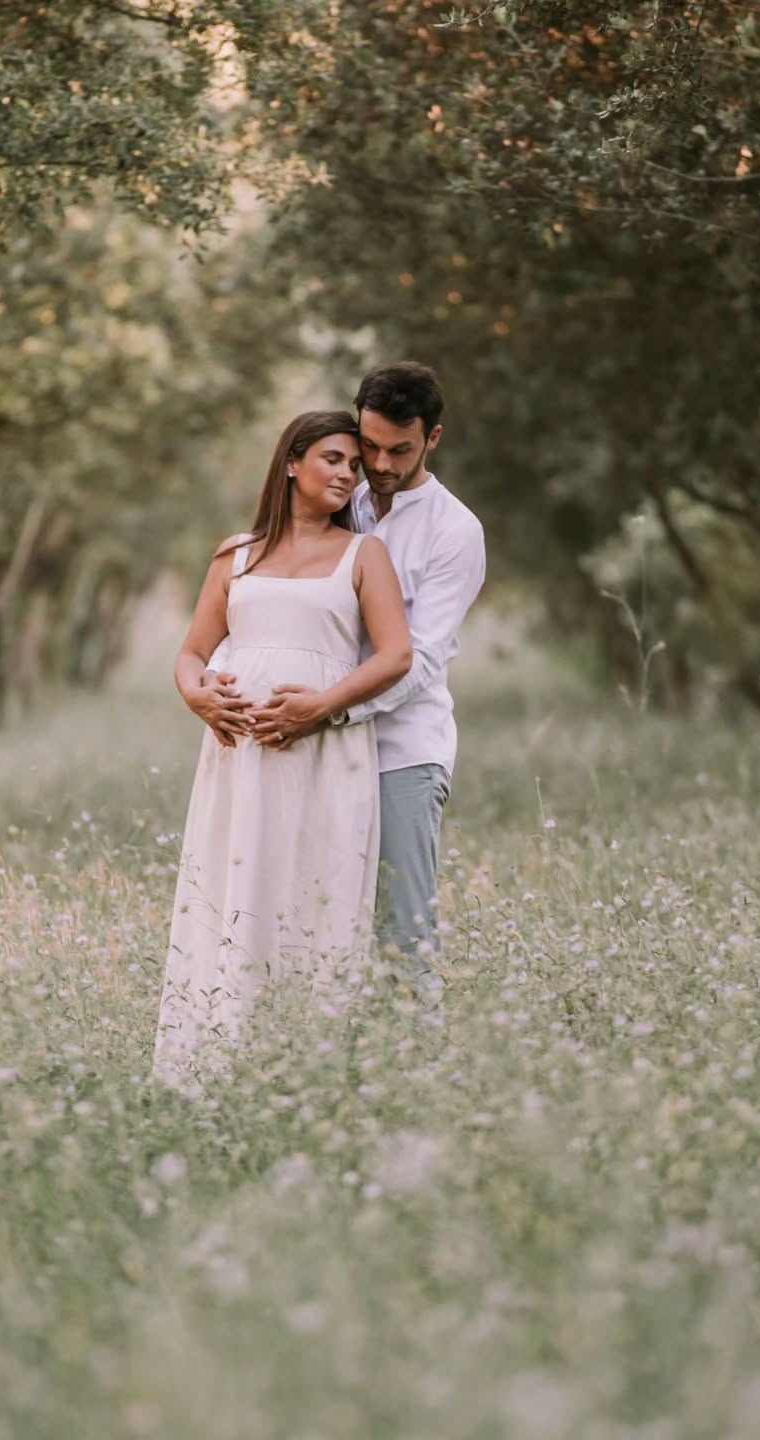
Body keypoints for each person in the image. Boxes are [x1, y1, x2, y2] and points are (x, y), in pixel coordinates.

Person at [202, 363, 485, 1001]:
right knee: (308, 919)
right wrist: (217, 679)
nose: (378, 465)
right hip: (305, 745)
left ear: (432, 440)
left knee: (397, 932)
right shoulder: (339, 495)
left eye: (399, 451)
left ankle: (410, 1079)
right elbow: (273, 605)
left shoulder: (454, 532)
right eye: (370, 446)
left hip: (397, 751)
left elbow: (423, 659)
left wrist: (327, 708)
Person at [154, 410, 412, 1087]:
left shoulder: (364, 555)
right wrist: (197, 695)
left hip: (323, 755)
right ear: (292, 462)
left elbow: (396, 656)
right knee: (236, 890)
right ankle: (214, 1065)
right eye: (333, 459)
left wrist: (320, 708)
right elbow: (191, 653)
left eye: (354, 466)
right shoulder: (234, 555)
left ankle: (308, 1074)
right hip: (239, 761)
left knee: (312, 893)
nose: (347, 474)